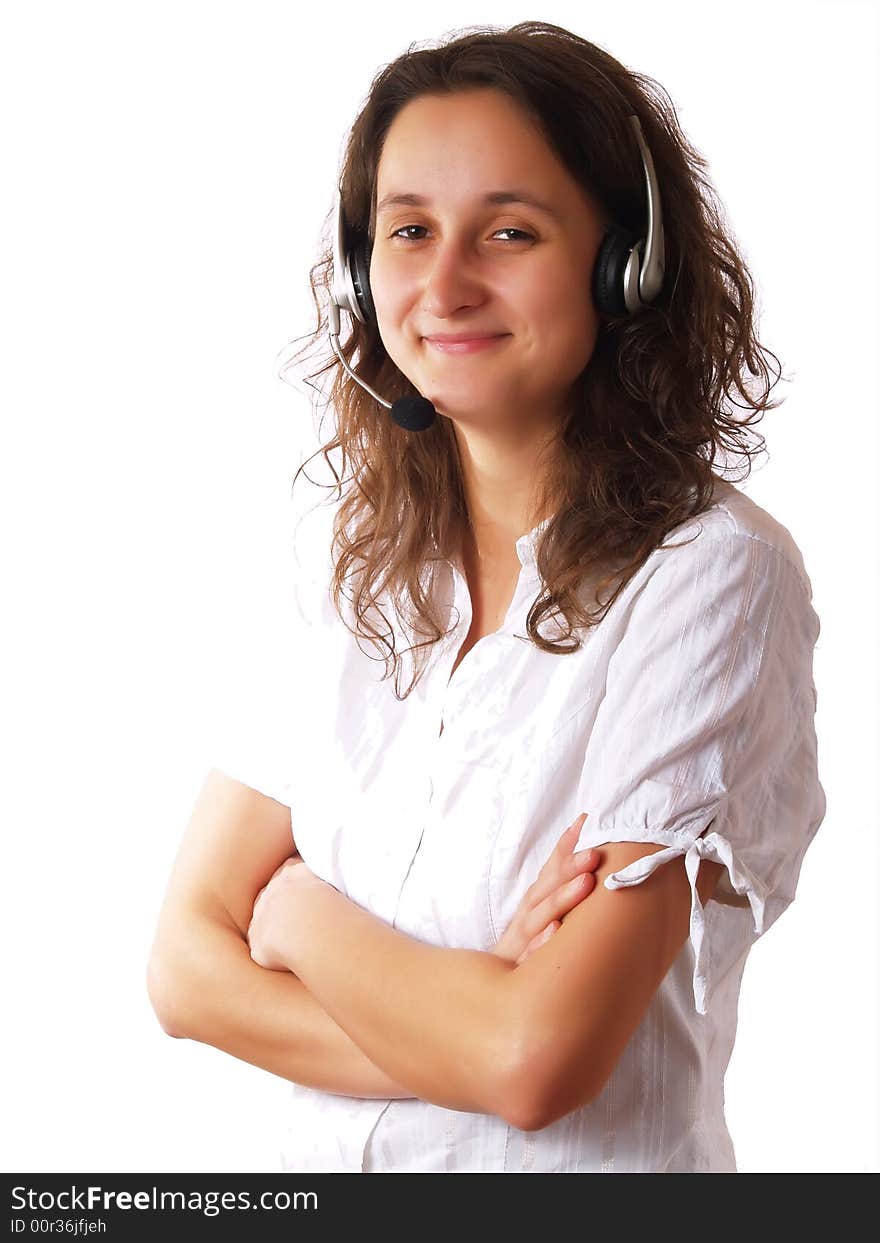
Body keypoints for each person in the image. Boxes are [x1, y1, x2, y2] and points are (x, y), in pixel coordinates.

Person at [147, 21, 826, 1173]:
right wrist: (458, 1014)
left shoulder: (712, 574)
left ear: (627, 267)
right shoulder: (349, 561)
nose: (446, 282)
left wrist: (296, 915)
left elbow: (534, 1061)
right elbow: (181, 973)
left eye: (509, 231)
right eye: (408, 230)